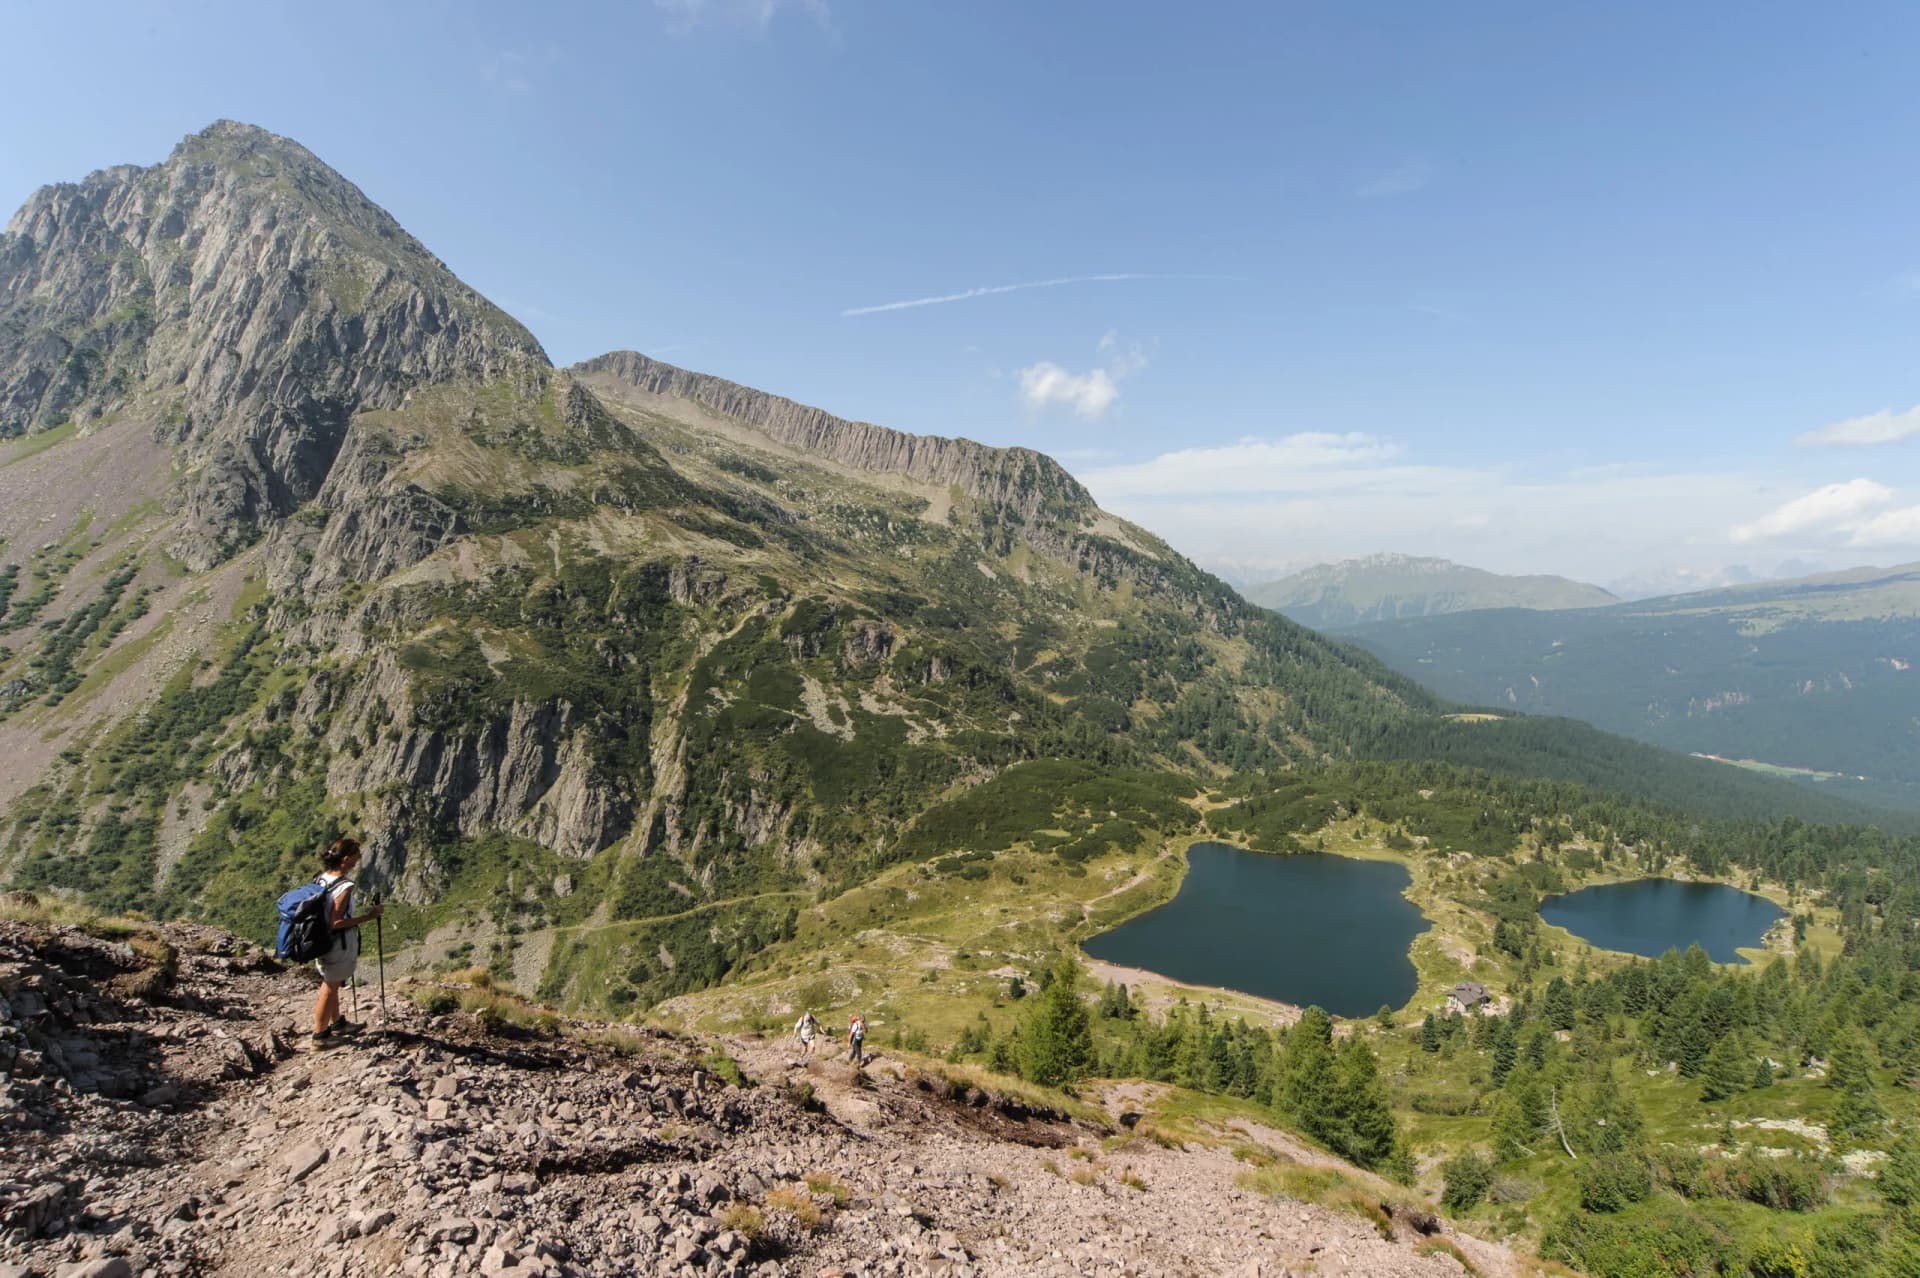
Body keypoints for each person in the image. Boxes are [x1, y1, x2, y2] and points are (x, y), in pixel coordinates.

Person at [311, 837, 382, 1044]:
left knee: (331, 981)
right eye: (356, 856)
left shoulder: (320, 878)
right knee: (329, 986)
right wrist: (370, 916)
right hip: (337, 943)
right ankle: (320, 1036)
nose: (358, 860)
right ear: (345, 859)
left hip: (320, 939)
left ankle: (337, 1024)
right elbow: (337, 922)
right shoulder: (345, 885)